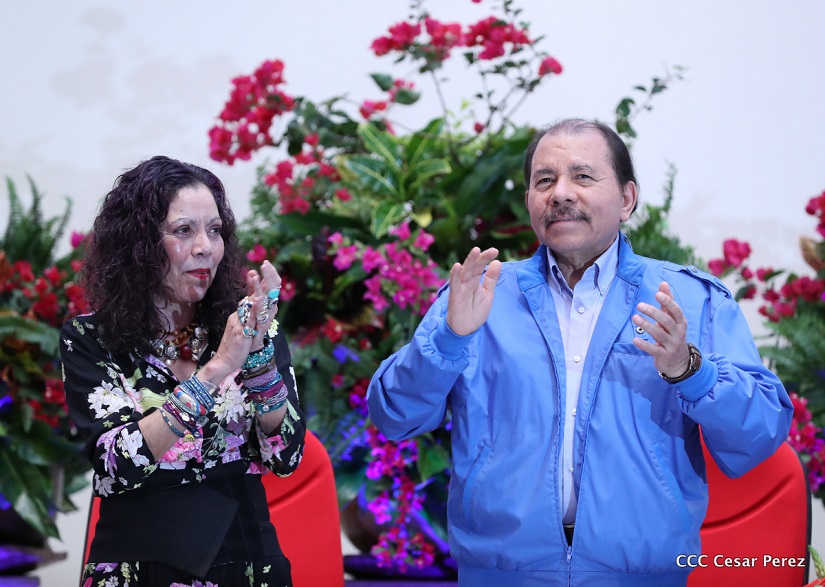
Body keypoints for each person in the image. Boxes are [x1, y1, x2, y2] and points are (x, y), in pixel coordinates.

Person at [367, 118, 793, 586]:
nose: (561, 193)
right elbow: (395, 417)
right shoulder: (479, 295)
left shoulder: (691, 300)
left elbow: (759, 434)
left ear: (627, 199)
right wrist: (448, 340)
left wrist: (690, 370)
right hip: (501, 574)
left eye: (583, 177)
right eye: (544, 181)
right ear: (529, 201)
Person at [61, 156, 305, 586]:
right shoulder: (90, 338)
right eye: (183, 230)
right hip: (139, 567)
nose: (205, 247)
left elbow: (286, 458)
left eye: (215, 230)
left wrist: (256, 361)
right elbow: (117, 465)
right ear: (139, 245)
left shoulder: (250, 329)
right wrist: (215, 371)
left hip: (248, 562)